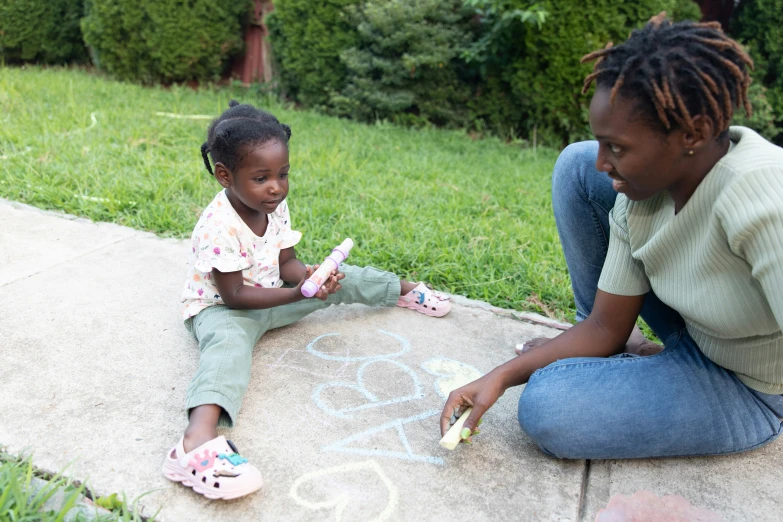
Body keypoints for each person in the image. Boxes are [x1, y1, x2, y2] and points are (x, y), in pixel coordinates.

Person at [441, 13, 783, 460]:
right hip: (696, 325)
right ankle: (632, 354)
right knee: (577, 166)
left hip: (748, 384)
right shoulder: (641, 194)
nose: (605, 161)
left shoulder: (763, 198)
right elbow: (605, 324)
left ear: (692, 134)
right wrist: (499, 376)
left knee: (550, 406)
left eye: (617, 147)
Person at [162, 101, 451, 499]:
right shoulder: (217, 227)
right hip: (223, 310)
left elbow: (288, 262)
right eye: (261, 177)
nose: (276, 187)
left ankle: (400, 289)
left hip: (274, 294)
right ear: (224, 176)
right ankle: (194, 444)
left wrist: (312, 281)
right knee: (227, 353)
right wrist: (297, 293)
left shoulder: (272, 206)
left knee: (336, 278)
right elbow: (236, 295)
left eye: (283, 174)